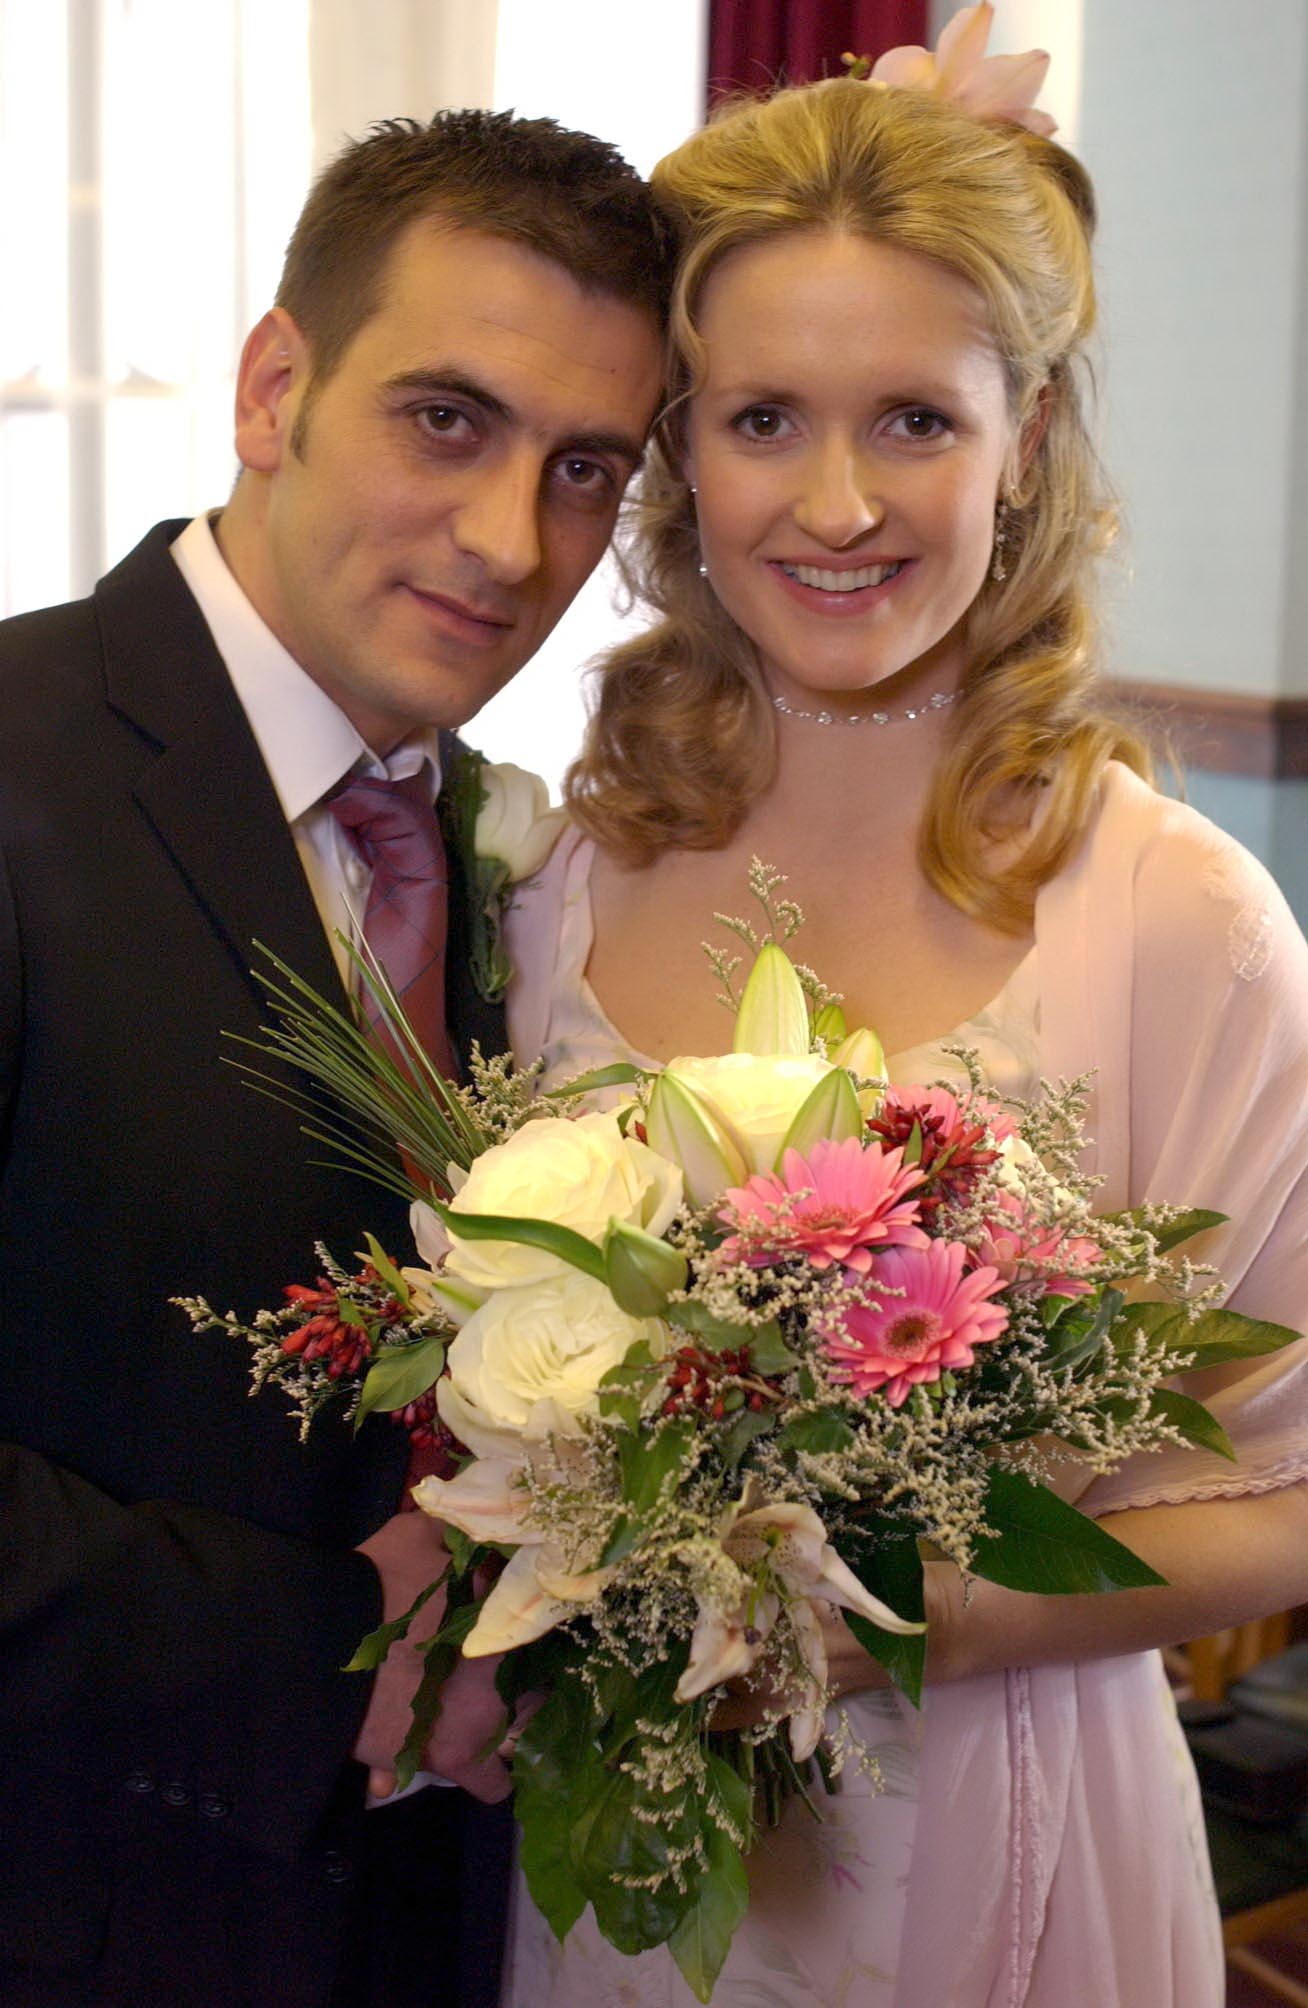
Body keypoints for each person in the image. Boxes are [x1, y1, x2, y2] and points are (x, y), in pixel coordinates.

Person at [501, 26, 1308, 2008]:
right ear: (681, 443)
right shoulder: (570, 875)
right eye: (765, 417)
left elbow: (1289, 1498)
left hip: (1014, 1842)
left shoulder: (1174, 919)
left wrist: (909, 1604)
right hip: (635, 1857)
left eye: (915, 423)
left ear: (1025, 431)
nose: (835, 502)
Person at [0, 108, 666, 2008]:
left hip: (428, 1923)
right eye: (446, 419)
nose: (506, 540)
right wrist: (318, 1644)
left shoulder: (509, 845)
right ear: (275, 383)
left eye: (584, 468)